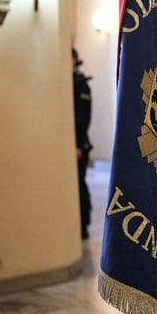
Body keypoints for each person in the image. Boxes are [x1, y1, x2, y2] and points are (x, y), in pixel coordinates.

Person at [72, 47, 93, 240]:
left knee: (79, 184)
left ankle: (83, 225)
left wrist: (78, 144)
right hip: (70, 145)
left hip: (78, 145)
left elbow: (81, 118)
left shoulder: (80, 85)